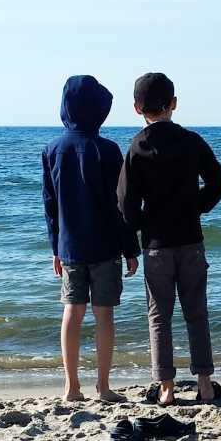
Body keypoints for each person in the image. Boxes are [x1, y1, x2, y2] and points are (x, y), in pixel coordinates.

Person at [116, 71, 221, 406]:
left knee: (158, 316)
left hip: (156, 246)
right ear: (174, 104)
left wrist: (139, 227)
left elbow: (124, 201)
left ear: (137, 108)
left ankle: (166, 387)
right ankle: (205, 384)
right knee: (197, 313)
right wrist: (197, 207)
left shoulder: (137, 147)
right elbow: (218, 182)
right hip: (190, 240)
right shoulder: (191, 141)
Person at [42, 75, 138, 402]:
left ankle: (70, 386)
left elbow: (50, 205)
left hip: (70, 246)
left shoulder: (53, 150)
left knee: (72, 310)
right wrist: (130, 248)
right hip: (106, 246)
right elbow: (121, 206)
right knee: (104, 313)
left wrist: (55, 247)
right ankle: (104, 386)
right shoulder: (109, 150)